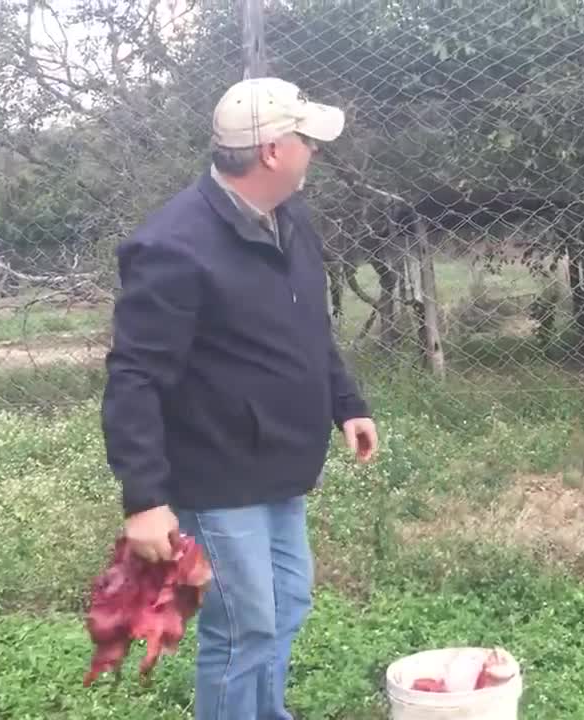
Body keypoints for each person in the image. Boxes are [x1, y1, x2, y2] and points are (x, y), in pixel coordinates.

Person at [100, 76, 378, 720]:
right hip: (218, 473)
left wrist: (347, 402)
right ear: (274, 151)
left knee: (287, 606)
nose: (314, 151)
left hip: (280, 462)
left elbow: (308, 327)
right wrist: (144, 500)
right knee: (243, 627)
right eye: (306, 139)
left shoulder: (289, 219)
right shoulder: (173, 246)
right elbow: (134, 375)